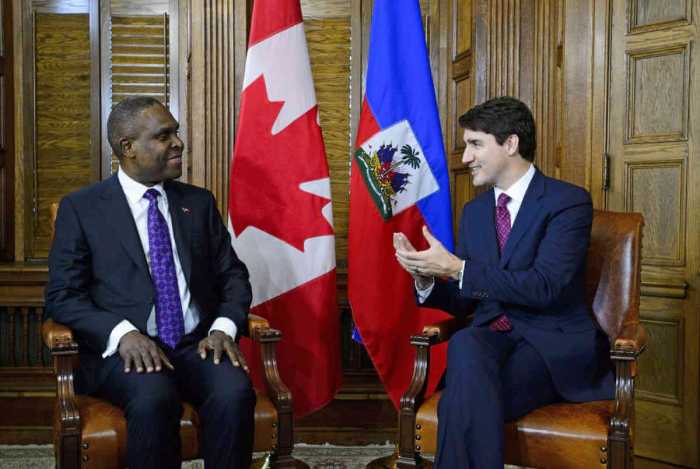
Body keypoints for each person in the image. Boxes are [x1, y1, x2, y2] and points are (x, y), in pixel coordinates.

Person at [393, 96, 613, 468]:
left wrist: (458, 268)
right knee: (465, 342)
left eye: (475, 144)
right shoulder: (475, 212)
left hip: (549, 343)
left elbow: (545, 286)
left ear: (510, 143)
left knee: (461, 401)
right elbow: (466, 298)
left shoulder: (568, 202)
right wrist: (427, 277)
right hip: (490, 338)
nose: (465, 157)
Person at [45, 97, 255, 469]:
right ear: (127, 147)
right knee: (154, 397)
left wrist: (223, 328)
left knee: (234, 390)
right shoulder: (82, 209)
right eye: (163, 136)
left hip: (195, 344)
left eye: (176, 132)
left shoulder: (198, 203)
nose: (178, 143)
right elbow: (62, 296)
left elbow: (233, 276)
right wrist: (123, 333)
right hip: (124, 352)